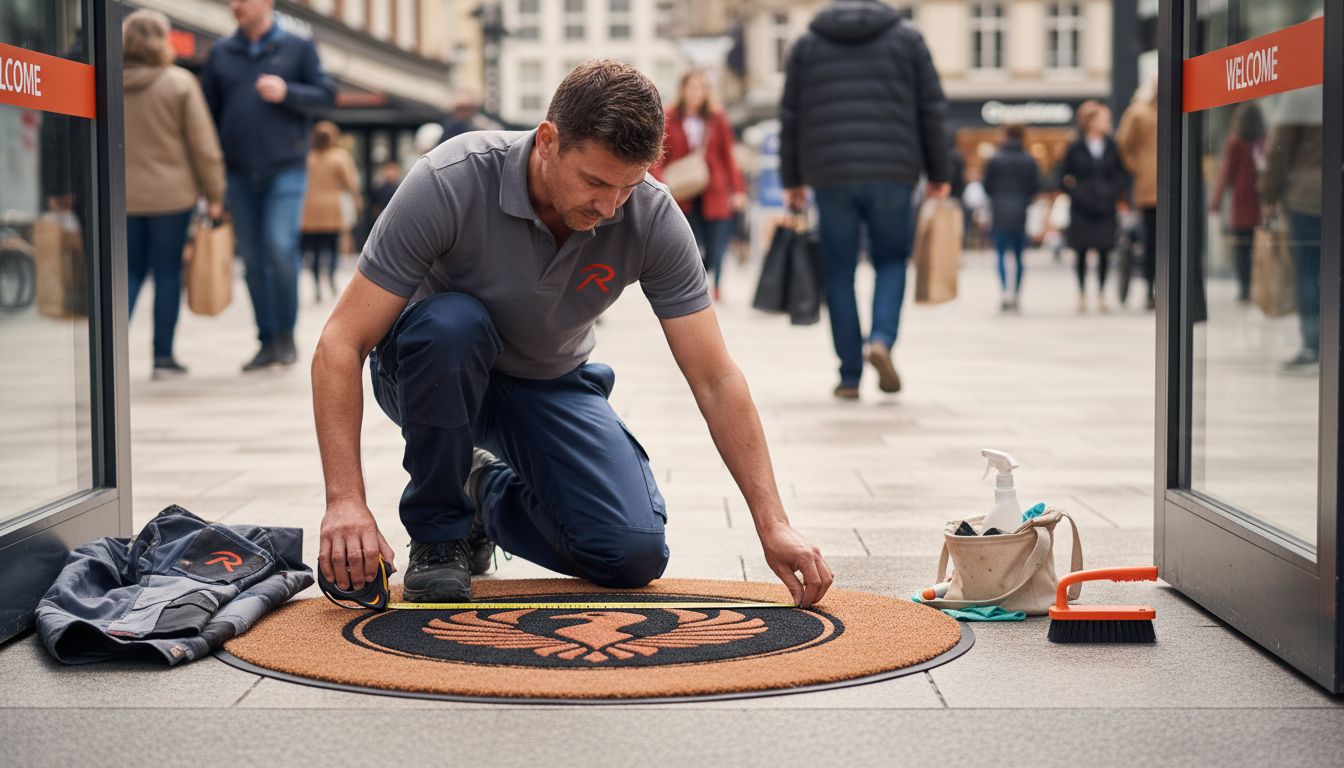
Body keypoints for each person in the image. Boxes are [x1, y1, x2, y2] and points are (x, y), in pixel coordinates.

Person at [311, 61, 834, 608]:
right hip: (433, 373)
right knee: (453, 324)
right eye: (595, 182)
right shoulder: (452, 178)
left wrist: (773, 523)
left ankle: (481, 492)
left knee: (632, 553)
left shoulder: (652, 217)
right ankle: (439, 535)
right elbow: (340, 343)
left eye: (627, 187)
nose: (609, 208)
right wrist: (345, 500)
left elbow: (715, 376)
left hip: (547, 381)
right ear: (547, 141)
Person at [780, 0, 950, 400]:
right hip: (893, 170)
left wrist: (793, 179)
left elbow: (791, 115)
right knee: (891, 260)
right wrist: (940, 173)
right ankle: (882, 340)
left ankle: (850, 374)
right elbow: (932, 110)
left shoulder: (807, 45)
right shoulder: (908, 39)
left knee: (839, 272)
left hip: (831, 172)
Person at [201, 0, 335, 371]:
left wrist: (288, 92)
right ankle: (266, 339)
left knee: (279, 246)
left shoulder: (298, 46)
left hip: (285, 168)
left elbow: (327, 95)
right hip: (238, 172)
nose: (235, 5)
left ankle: (286, 336)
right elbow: (206, 117)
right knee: (254, 260)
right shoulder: (222, 53)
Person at [121, 9, 225, 379]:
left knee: (128, 274)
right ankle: (162, 358)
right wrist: (214, 193)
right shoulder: (179, 83)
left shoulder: (106, 83)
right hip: (172, 197)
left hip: (123, 197)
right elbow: (204, 146)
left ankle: (112, 354)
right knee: (167, 274)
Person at [652, 71, 746, 301]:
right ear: (682, 90)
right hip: (682, 190)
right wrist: (660, 183)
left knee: (716, 244)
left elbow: (728, 155)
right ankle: (697, 284)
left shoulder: (716, 118)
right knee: (692, 241)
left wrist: (738, 190)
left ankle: (717, 285)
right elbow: (657, 156)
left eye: (700, 88)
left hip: (714, 189)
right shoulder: (669, 116)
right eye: (691, 87)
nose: (695, 93)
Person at [1261, 88, 1323, 373]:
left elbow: (1279, 147)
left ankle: (1313, 345)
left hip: (1308, 198)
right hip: (1318, 195)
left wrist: (1269, 195)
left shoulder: (1304, 92)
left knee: (1309, 271)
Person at [1057, 101, 1128, 313]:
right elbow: (1062, 175)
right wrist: (1076, 192)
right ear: (1091, 122)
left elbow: (1120, 174)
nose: (1108, 123)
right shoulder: (1075, 147)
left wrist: (1112, 191)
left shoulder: (1111, 146)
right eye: (1104, 119)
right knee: (1080, 251)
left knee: (1105, 249)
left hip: (1105, 206)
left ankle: (1101, 293)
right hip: (1081, 207)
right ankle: (1081, 293)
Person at [1209, 102, 1265, 303]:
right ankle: (1255, 286)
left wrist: (1215, 202)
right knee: (1256, 246)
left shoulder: (1235, 142)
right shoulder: (1262, 141)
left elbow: (1225, 173)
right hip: (1258, 198)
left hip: (1241, 200)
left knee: (1241, 247)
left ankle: (1244, 288)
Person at [300, 121, 361, 303]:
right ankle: (332, 278)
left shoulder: (307, 158)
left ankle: (317, 283)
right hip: (332, 209)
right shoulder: (339, 157)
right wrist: (357, 200)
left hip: (309, 209)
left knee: (314, 250)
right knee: (332, 248)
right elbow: (350, 182)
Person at [982, 124, 1040, 312]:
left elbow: (987, 185)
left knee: (1000, 252)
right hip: (1021, 209)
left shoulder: (995, 159)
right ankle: (1015, 292)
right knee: (1018, 254)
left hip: (999, 209)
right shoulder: (1029, 159)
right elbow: (1036, 186)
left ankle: (1004, 291)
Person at [1116, 75, 1160, 309]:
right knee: (1151, 241)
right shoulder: (1138, 111)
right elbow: (1123, 142)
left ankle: (1162, 288)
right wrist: (1137, 167)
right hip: (1149, 188)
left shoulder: (1172, 108)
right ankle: (1150, 289)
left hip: (1172, 182)